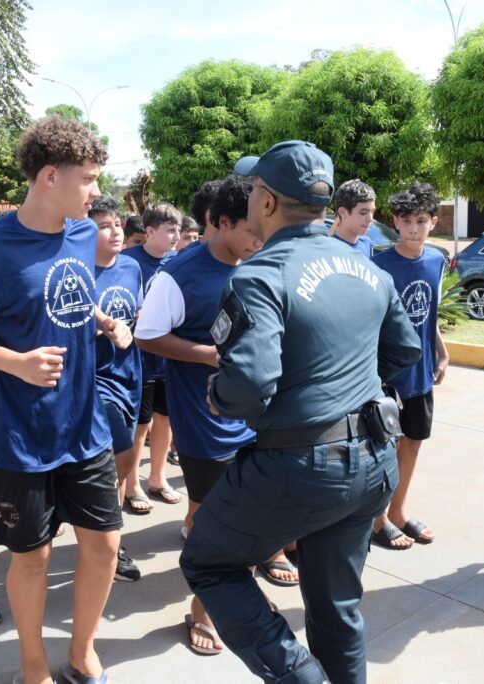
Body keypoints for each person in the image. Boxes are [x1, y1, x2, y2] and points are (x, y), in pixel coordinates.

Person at [180, 140, 422, 683]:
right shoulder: (368, 270)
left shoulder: (259, 275)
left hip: (299, 466)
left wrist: (219, 396)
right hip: (372, 459)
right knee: (337, 608)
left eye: (251, 193)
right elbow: (404, 352)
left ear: (265, 202)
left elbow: (248, 385)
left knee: (207, 561)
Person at [0, 114, 132, 684]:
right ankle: (33, 664)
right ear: (50, 176)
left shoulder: (79, 233)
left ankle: (82, 651)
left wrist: (99, 320)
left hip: (83, 424)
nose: (96, 192)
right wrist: (13, 362)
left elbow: (60, 296)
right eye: (89, 178)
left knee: (106, 545)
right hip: (18, 435)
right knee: (33, 556)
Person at [136, 175, 297, 656]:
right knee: (216, 524)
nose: (260, 238)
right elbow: (147, 335)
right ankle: (204, 611)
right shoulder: (178, 275)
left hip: (262, 417)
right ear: (222, 223)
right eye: (252, 229)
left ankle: (238, 590)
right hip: (207, 422)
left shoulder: (262, 263)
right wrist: (207, 355)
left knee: (253, 511)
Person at [370, 182, 448, 550]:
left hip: (421, 373)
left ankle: (398, 511)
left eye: (421, 220)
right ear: (395, 223)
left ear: (434, 221)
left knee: (413, 441)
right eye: (406, 220)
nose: (414, 228)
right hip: (385, 374)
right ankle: (376, 519)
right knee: (383, 446)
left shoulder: (436, 260)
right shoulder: (378, 264)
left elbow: (428, 314)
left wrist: (441, 351)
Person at [89, 194, 143, 582]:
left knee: (121, 465)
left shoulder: (131, 267)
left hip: (130, 376)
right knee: (121, 457)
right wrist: (97, 326)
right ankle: (111, 542)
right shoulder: (74, 271)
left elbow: (137, 317)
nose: (115, 231)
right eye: (104, 225)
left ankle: (106, 533)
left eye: (118, 224)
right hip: (93, 382)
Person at [124, 203, 182, 507]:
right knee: (140, 424)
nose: (175, 237)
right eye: (169, 230)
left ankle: (157, 477)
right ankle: (132, 484)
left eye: (178, 230)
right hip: (140, 360)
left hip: (170, 357)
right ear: (149, 231)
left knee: (166, 419)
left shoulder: (178, 262)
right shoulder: (128, 262)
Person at [331, 179, 376, 258]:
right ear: (343, 213)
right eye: (363, 213)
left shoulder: (367, 243)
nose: (370, 219)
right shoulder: (328, 248)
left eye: (372, 212)